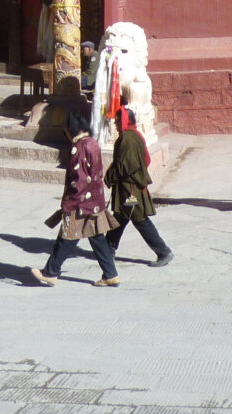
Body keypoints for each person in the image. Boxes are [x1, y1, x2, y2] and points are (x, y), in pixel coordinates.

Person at [30, 112, 119, 287]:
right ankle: (110, 274)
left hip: (80, 203)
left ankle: (50, 272)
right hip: (95, 200)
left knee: (66, 236)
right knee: (97, 238)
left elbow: (78, 179)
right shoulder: (93, 144)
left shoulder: (79, 148)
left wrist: (69, 203)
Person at [104, 105, 173, 266]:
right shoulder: (134, 135)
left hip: (130, 189)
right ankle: (107, 249)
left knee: (140, 220)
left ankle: (163, 251)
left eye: (118, 120)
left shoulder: (128, 138)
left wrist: (110, 177)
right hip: (129, 186)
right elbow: (145, 159)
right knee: (120, 217)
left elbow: (125, 165)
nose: (115, 123)